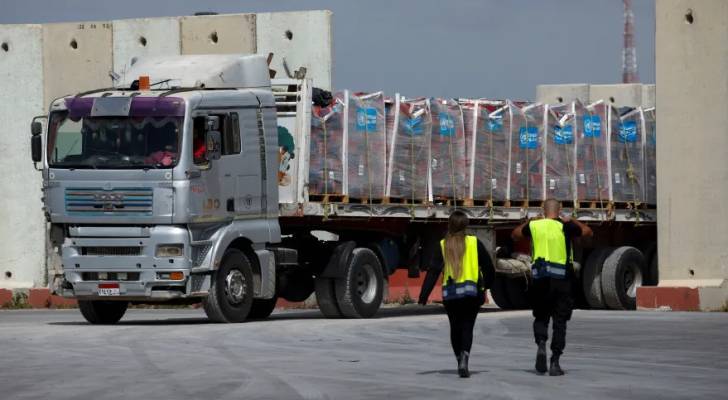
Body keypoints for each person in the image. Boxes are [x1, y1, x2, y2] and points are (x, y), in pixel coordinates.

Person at [511, 199, 593, 376]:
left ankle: (541, 343)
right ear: (560, 209)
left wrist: (530, 221)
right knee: (560, 321)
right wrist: (572, 220)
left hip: (541, 279)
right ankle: (555, 362)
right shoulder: (566, 226)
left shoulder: (535, 226)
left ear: (542, 209)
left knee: (541, 316)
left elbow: (515, 235)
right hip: (562, 280)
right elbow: (588, 232)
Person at [418, 210, 495, 378]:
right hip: (472, 293)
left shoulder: (443, 245)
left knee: (455, 328)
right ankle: (465, 358)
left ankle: (459, 358)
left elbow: (433, 271)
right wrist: (486, 286)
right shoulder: (474, 243)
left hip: (451, 295)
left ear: (449, 225)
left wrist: (424, 295)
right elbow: (488, 267)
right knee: (467, 326)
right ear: (466, 225)